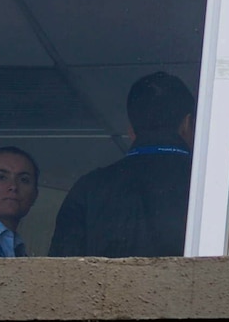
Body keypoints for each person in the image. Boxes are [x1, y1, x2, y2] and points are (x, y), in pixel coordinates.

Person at [48, 72, 194, 257]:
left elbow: (60, 273)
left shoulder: (89, 189)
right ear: (187, 125)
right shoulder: (210, 188)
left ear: (131, 132)